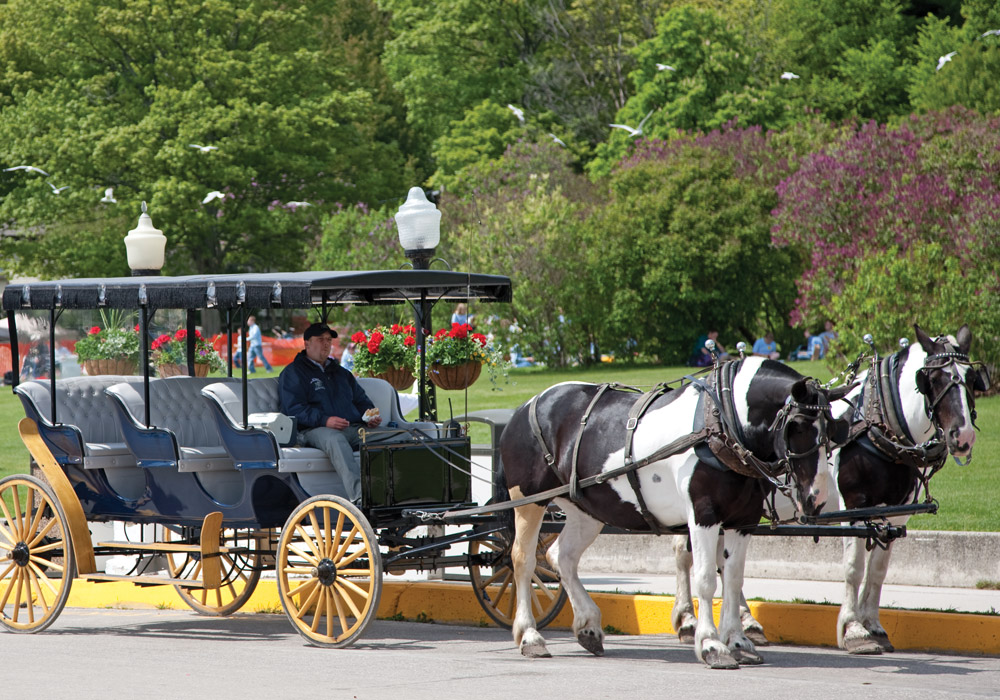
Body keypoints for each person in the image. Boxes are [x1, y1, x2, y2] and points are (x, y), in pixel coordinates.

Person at [278, 323, 380, 505]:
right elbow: (294, 409)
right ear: (307, 344)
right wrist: (325, 420)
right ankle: (361, 499)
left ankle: (396, 492)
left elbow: (361, 400)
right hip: (313, 430)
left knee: (391, 436)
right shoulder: (293, 373)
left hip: (353, 427)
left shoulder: (341, 373)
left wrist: (369, 416)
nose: (326, 344)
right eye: (320, 340)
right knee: (335, 439)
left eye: (328, 340)